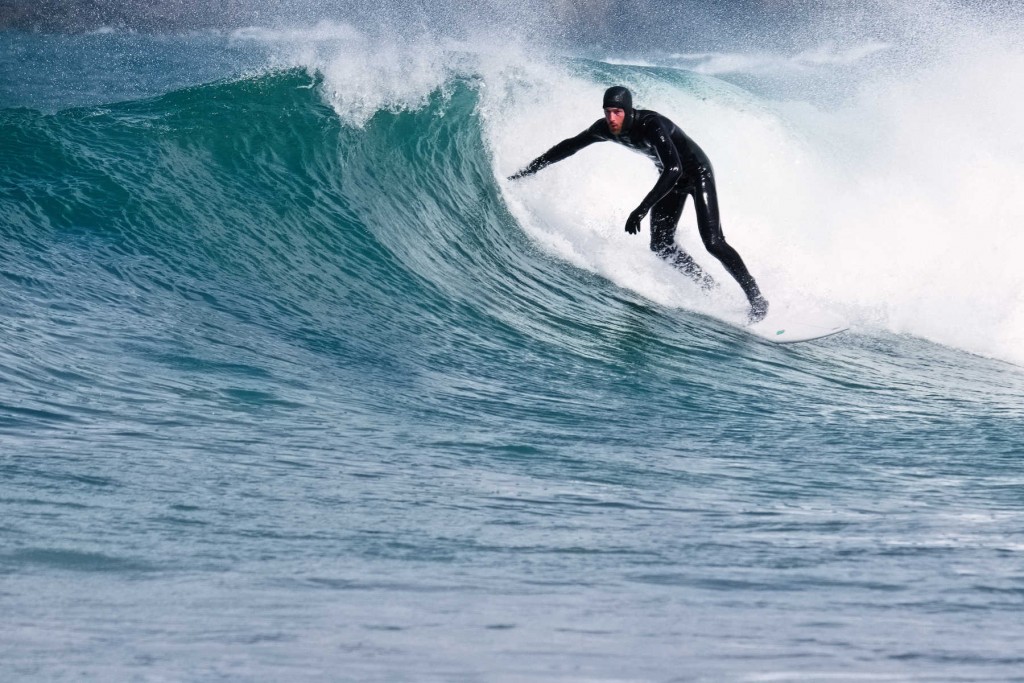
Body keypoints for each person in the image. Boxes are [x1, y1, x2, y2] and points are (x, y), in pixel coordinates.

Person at [508, 86, 769, 323]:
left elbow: (675, 167)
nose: (612, 118)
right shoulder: (604, 128)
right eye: (608, 112)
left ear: (629, 111)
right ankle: (708, 285)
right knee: (661, 245)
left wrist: (641, 209)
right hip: (670, 179)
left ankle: (756, 298)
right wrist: (529, 170)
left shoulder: (651, 125)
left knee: (713, 242)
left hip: (696, 173)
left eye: (617, 112)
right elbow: (570, 146)